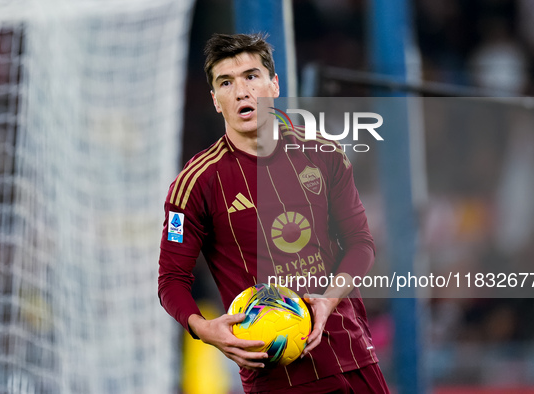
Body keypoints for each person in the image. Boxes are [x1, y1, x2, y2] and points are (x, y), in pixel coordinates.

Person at [158, 33, 390, 393]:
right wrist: (204, 329)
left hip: (352, 355)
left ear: (274, 84)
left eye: (251, 76)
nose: (241, 91)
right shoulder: (197, 183)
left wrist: (327, 302)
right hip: (275, 375)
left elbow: (361, 243)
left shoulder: (325, 153)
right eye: (226, 82)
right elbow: (171, 278)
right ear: (216, 101)